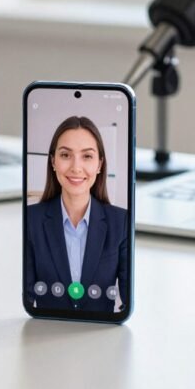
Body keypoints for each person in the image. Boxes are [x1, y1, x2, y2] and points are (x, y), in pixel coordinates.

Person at [24, 116, 129, 312]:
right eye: (65, 155)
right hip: (46, 334)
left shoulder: (120, 222)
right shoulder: (31, 219)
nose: (76, 167)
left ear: (99, 165)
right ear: (53, 161)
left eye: (87, 156)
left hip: (99, 336)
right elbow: (27, 300)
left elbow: (127, 302)